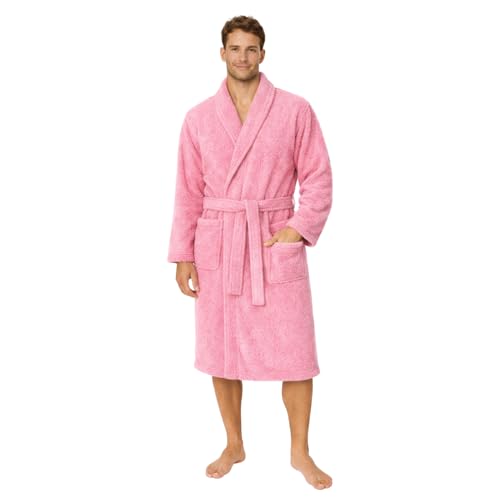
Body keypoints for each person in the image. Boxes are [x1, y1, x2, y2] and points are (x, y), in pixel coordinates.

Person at [167, 15, 333, 490]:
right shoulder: (198, 118)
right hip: (219, 244)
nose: (243, 56)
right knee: (221, 350)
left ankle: (300, 451)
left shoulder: (295, 110)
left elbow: (318, 177)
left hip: (271, 240)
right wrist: (183, 254)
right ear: (222, 53)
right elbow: (187, 191)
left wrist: (296, 230)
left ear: (263, 53)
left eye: (251, 48)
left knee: (297, 354)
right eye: (235, 48)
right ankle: (234, 443)